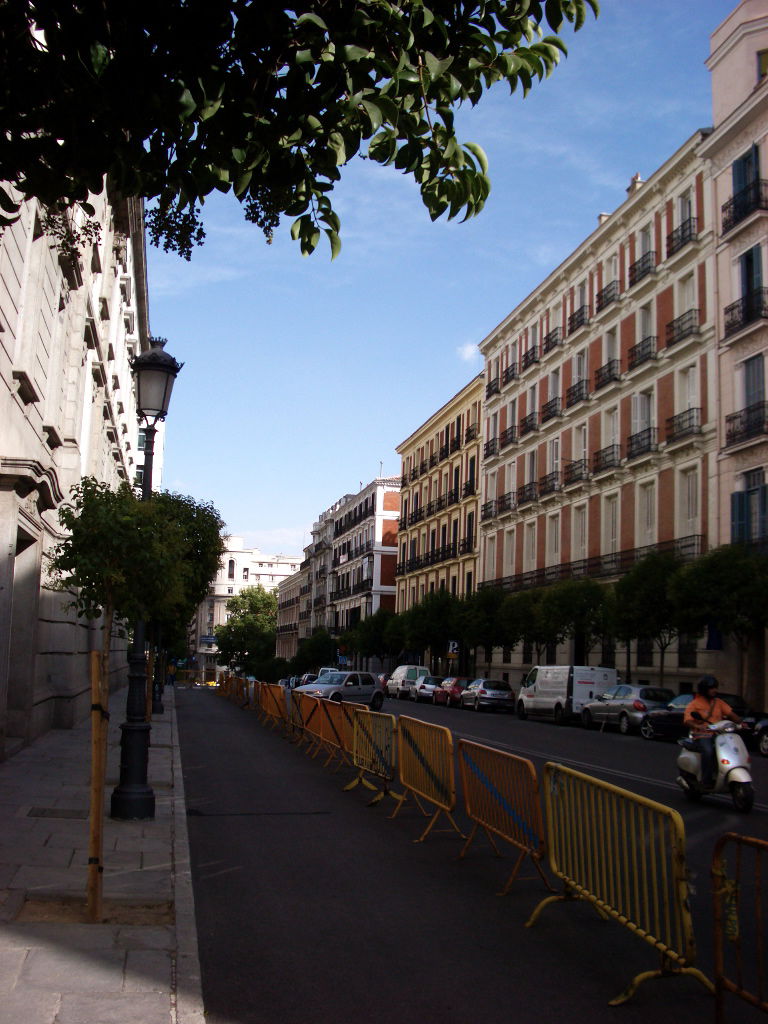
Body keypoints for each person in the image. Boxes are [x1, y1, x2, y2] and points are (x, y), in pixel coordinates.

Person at [683, 675, 742, 788]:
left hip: (719, 734)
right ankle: (706, 780)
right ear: (704, 689)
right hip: (702, 735)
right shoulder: (694, 704)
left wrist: (741, 722)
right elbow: (687, 720)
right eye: (711, 688)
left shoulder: (719, 702)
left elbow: (731, 714)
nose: (715, 690)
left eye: (715, 687)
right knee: (708, 750)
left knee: (733, 747)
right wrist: (697, 726)